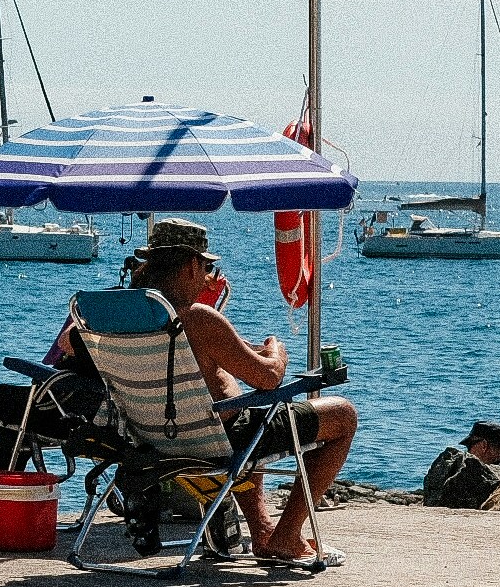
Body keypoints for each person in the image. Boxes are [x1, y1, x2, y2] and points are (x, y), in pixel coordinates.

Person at [121, 218, 355, 561]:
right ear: (190, 265)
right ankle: (287, 535)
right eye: (206, 266)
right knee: (343, 415)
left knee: (251, 417)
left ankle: (262, 532)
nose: (207, 276)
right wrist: (277, 351)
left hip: (149, 440)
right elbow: (268, 378)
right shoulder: (197, 317)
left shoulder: (128, 313)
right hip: (213, 442)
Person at [0, 307, 105, 473]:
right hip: (102, 416)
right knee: (15, 430)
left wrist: (81, 322)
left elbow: (67, 342)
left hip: (70, 414)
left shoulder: (119, 312)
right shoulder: (130, 325)